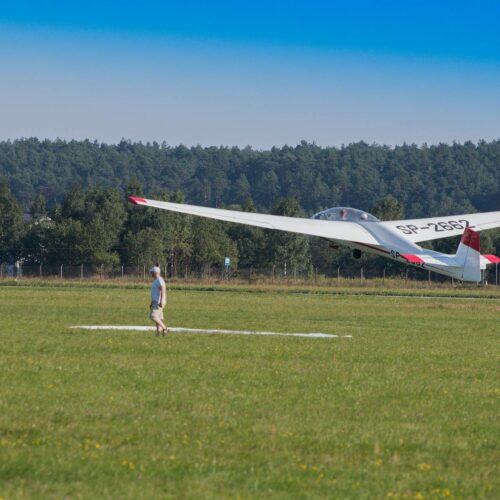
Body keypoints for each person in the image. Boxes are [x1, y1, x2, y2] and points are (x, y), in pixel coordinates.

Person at [149, 266, 168, 336]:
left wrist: (161, 300)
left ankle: (165, 328)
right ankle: (158, 333)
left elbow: (162, 290)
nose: (151, 273)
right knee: (159, 317)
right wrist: (152, 301)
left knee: (153, 316)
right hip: (155, 301)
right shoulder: (155, 280)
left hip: (158, 301)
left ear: (155, 272)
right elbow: (155, 292)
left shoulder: (159, 280)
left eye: (152, 272)